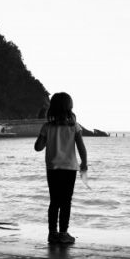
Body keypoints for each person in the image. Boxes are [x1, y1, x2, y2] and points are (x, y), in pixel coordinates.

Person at [34, 92, 87, 244]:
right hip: (69, 168)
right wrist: (84, 162)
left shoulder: (47, 127)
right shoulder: (74, 127)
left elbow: (38, 147)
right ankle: (63, 233)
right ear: (70, 108)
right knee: (66, 201)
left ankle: (52, 233)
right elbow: (81, 147)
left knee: (54, 201)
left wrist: (44, 138)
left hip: (53, 169)